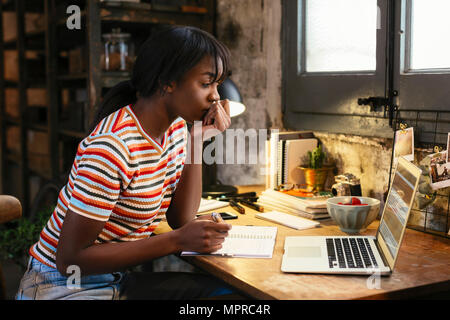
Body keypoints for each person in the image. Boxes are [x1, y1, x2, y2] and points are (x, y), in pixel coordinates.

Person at [16, 25, 236, 300]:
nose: (216, 96)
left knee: (226, 297)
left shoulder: (178, 130)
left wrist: (197, 141)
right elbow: (70, 260)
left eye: (217, 84)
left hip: (113, 280)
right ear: (167, 82)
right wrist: (176, 241)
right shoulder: (113, 147)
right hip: (61, 286)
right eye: (206, 83)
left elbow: (180, 219)